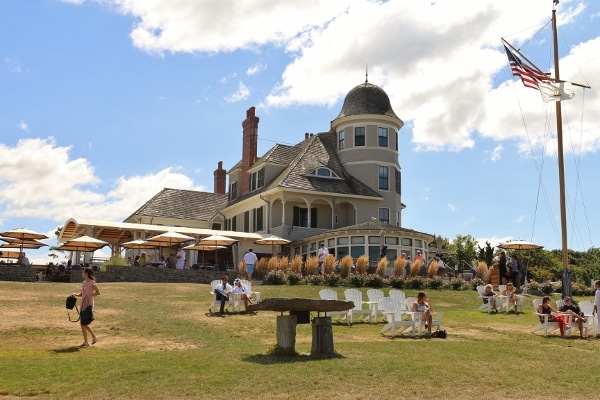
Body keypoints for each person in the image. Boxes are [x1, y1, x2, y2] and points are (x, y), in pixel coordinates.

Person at [70, 266, 100, 347]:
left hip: (89, 304)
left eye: (83, 271)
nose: (82, 272)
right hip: (83, 304)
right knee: (82, 323)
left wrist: (90, 295)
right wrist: (75, 294)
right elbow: (81, 294)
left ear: (86, 273)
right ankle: (86, 342)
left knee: (84, 323)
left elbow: (98, 292)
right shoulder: (84, 283)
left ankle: (94, 337)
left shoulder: (92, 282)